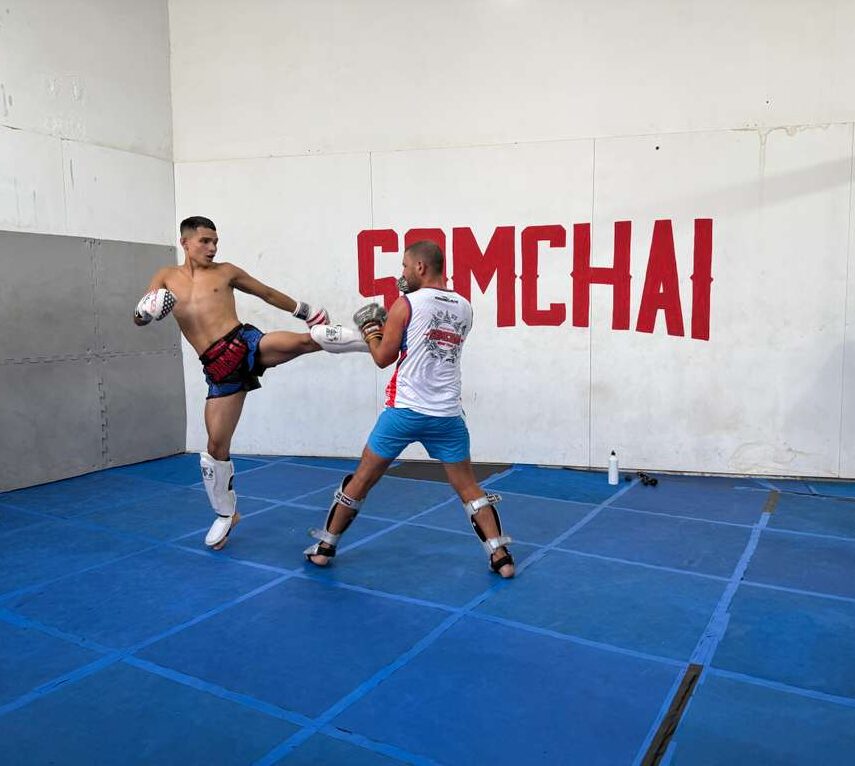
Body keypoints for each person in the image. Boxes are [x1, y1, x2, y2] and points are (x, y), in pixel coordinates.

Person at [133, 216, 366, 550]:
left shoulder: (226, 271)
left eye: (215, 241)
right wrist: (144, 312)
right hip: (217, 367)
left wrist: (307, 310)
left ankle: (372, 339)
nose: (212, 248)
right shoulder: (166, 277)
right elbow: (139, 318)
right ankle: (226, 514)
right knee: (215, 449)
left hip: (244, 343)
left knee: (305, 340)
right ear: (185, 242)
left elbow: (267, 293)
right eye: (205, 241)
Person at [303, 240, 515, 578]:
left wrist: (372, 331)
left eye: (404, 266)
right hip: (446, 416)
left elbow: (383, 358)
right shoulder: (465, 307)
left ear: (420, 267)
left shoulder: (405, 304)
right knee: (469, 488)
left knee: (362, 479)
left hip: (404, 412)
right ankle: (500, 557)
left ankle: (325, 546)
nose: (401, 273)